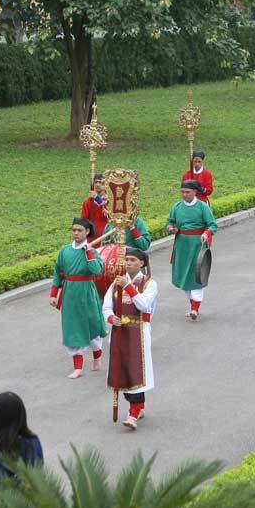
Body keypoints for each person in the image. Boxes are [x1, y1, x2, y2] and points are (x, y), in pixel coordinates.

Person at [103, 248, 157, 430]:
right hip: (119, 331)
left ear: (141, 263)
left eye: (132, 260)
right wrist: (111, 318)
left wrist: (127, 286)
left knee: (137, 370)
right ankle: (139, 406)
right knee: (122, 371)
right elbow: (106, 307)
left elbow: (143, 304)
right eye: (126, 259)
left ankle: (133, 413)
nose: (128, 263)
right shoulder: (116, 283)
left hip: (139, 331)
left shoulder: (150, 283)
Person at [49, 218, 106, 378]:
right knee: (72, 328)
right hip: (70, 295)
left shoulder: (92, 252)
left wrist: (88, 252)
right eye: (73, 230)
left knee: (92, 328)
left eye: (79, 230)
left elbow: (97, 270)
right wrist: (54, 294)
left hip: (87, 293)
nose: (75, 233)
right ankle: (78, 368)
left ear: (87, 232)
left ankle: (97, 356)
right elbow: (58, 273)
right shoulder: (65, 251)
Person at [166, 179, 217, 320]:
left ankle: (195, 309)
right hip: (181, 245)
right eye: (182, 192)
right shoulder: (176, 207)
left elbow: (212, 225)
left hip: (197, 245)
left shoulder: (202, 207)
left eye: (187, 192)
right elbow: (170, 221)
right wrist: (171, 228)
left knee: (197, 275)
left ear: (195, 192)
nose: (184, 194)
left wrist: (206, 233)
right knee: (184, 276)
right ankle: (193, 305)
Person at [80, 173, 109, 241]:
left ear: (105, 185)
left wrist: (97, 197)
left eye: (100, 182)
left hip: (107, 235)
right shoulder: (87, 202)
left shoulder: (110, 200)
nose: (98, 184)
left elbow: (108, 211)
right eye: (95, 182)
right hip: (92, 237)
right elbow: (84, 220)